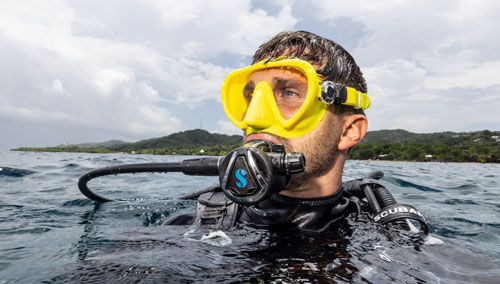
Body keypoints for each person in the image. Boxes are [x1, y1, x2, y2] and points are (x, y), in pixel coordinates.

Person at [166, 31, 427, 235]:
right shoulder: (192, 227)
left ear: (349, 131)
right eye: (251, 96)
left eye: (289, 93)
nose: (255, 117)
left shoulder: (390, 240)